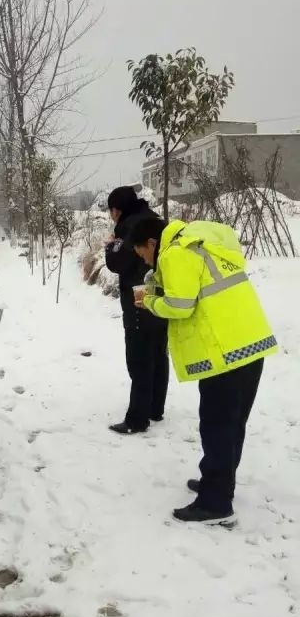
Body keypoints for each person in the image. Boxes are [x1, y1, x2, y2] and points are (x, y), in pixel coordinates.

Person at [130, 215, 279, 524]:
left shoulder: (176, 253)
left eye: (142, 252)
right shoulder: (203, 244)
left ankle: (215, 503)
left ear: (153, 243)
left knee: (217, 425)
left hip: (224, 350)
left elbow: (181, 306)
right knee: (232, 422)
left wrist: (151, 303)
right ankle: (219, 482)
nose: (144, 259)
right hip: (250, 342)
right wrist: (158, 283)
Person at [104, 186, 169, 435]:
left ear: (117, 209)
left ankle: (137, 419)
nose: (111, 216)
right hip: (161, 295)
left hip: (140, 297)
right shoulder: (155, 220)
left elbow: (117, 262)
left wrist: (111, 245)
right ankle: (155, 408)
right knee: (158, 353)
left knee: (139, 357)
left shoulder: (132, 227)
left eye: (111, 210)